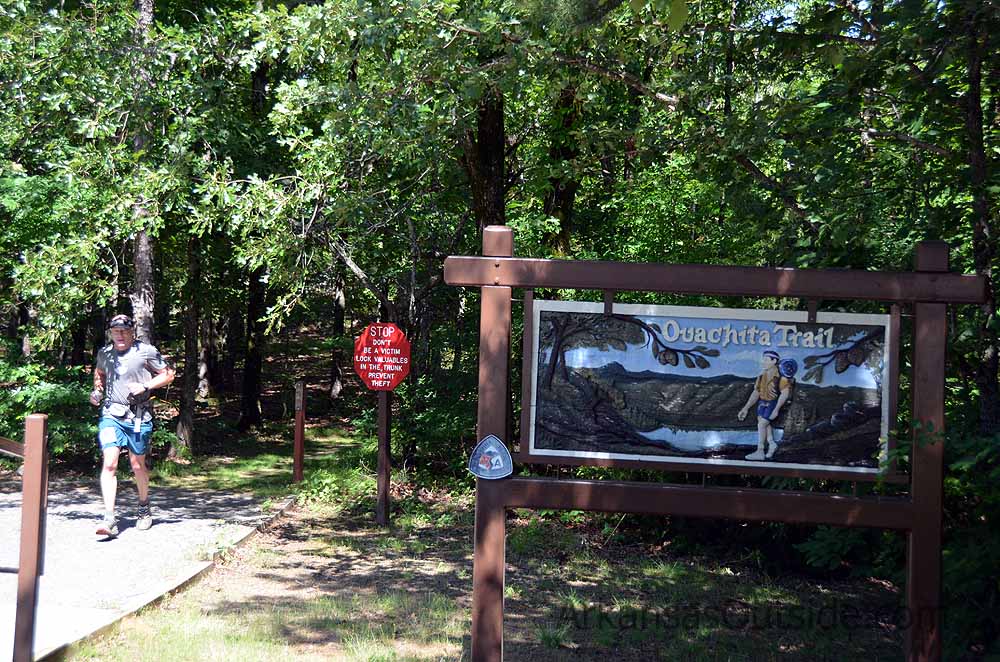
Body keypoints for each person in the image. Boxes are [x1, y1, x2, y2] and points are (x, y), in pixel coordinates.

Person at [89, 314, 175, 537]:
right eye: (115, 330)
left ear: (132, 332)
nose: (120, 334)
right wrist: (97, 392)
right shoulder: (105, 353)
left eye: (124, 331)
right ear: (110, 332)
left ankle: (144, 507)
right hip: (111, 414)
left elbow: (168, 375)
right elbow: (99, 374)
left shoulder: (145, 351)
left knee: (138, 466)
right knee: (109, 464)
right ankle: (109, 519)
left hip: (138, 416)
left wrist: (146, 385)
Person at [737, 350, 793, 461]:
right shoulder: (761, 377)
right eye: (763, 359)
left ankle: (760, 451)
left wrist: (776, 409)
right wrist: (746, 408)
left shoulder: (781, 378)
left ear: (774, 361)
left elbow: (785, 393)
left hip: (773, 403)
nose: (763, 362)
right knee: (764, 425)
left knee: (762, 425)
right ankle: (772, 444)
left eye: (766, 360)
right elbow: (756, 393)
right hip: (762, 403)